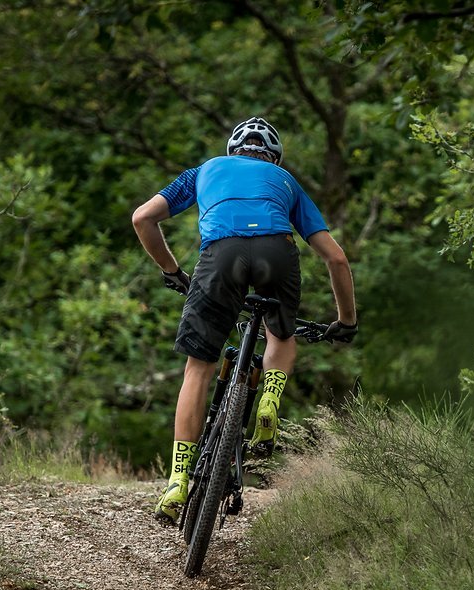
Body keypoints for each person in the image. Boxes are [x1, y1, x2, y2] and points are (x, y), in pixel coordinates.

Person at [132, 116, 357, 523]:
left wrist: (171, 271)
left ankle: (177, 480)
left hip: (222, 254)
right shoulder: (284, 180)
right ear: (273, 157)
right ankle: (270, 396)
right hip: (277, 251)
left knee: (197, 369)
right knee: (279, 335)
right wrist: (346, 322)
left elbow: (142, 218)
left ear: (234, 150)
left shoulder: (204, 171)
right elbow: (336, 257)